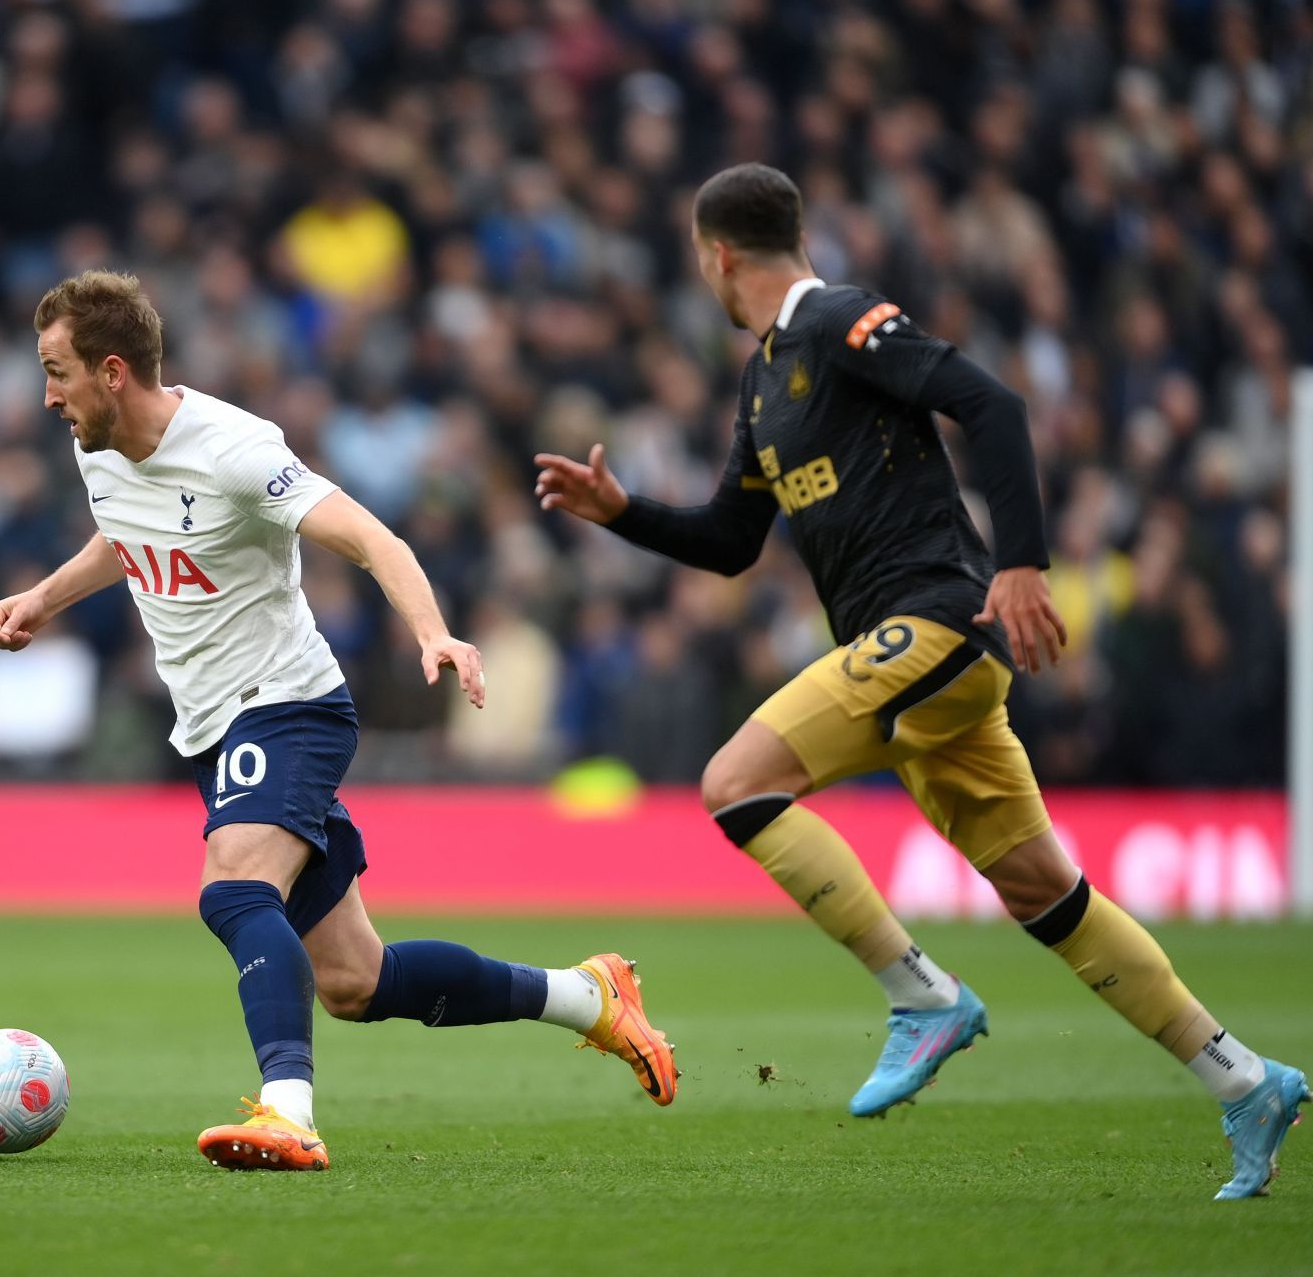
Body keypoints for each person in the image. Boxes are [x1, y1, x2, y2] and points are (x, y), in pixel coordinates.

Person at [535, 164, 1304, 1200]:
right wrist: (622, 511)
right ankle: (1243, 1076)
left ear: (716, 253)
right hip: (914, 672)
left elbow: (991, 402)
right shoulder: (764, 381)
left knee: (737, 780)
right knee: (1046, 893)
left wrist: (1022, 560)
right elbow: (729, 540)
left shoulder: (839, 320)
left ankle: (922, 996)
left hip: (940, 621)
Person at [0, 271, 675, 1172]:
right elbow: (126, 534)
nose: (47, 395)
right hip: (213, 733)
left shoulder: (235, 448)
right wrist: (45, 596)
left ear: (112, 371)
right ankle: (587, 997)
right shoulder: (98, 447)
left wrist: (433, 632)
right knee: (358, 981)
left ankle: (288, 1112)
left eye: (57, 372)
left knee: (233, 891)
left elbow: (371, 538)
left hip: (287, 708)